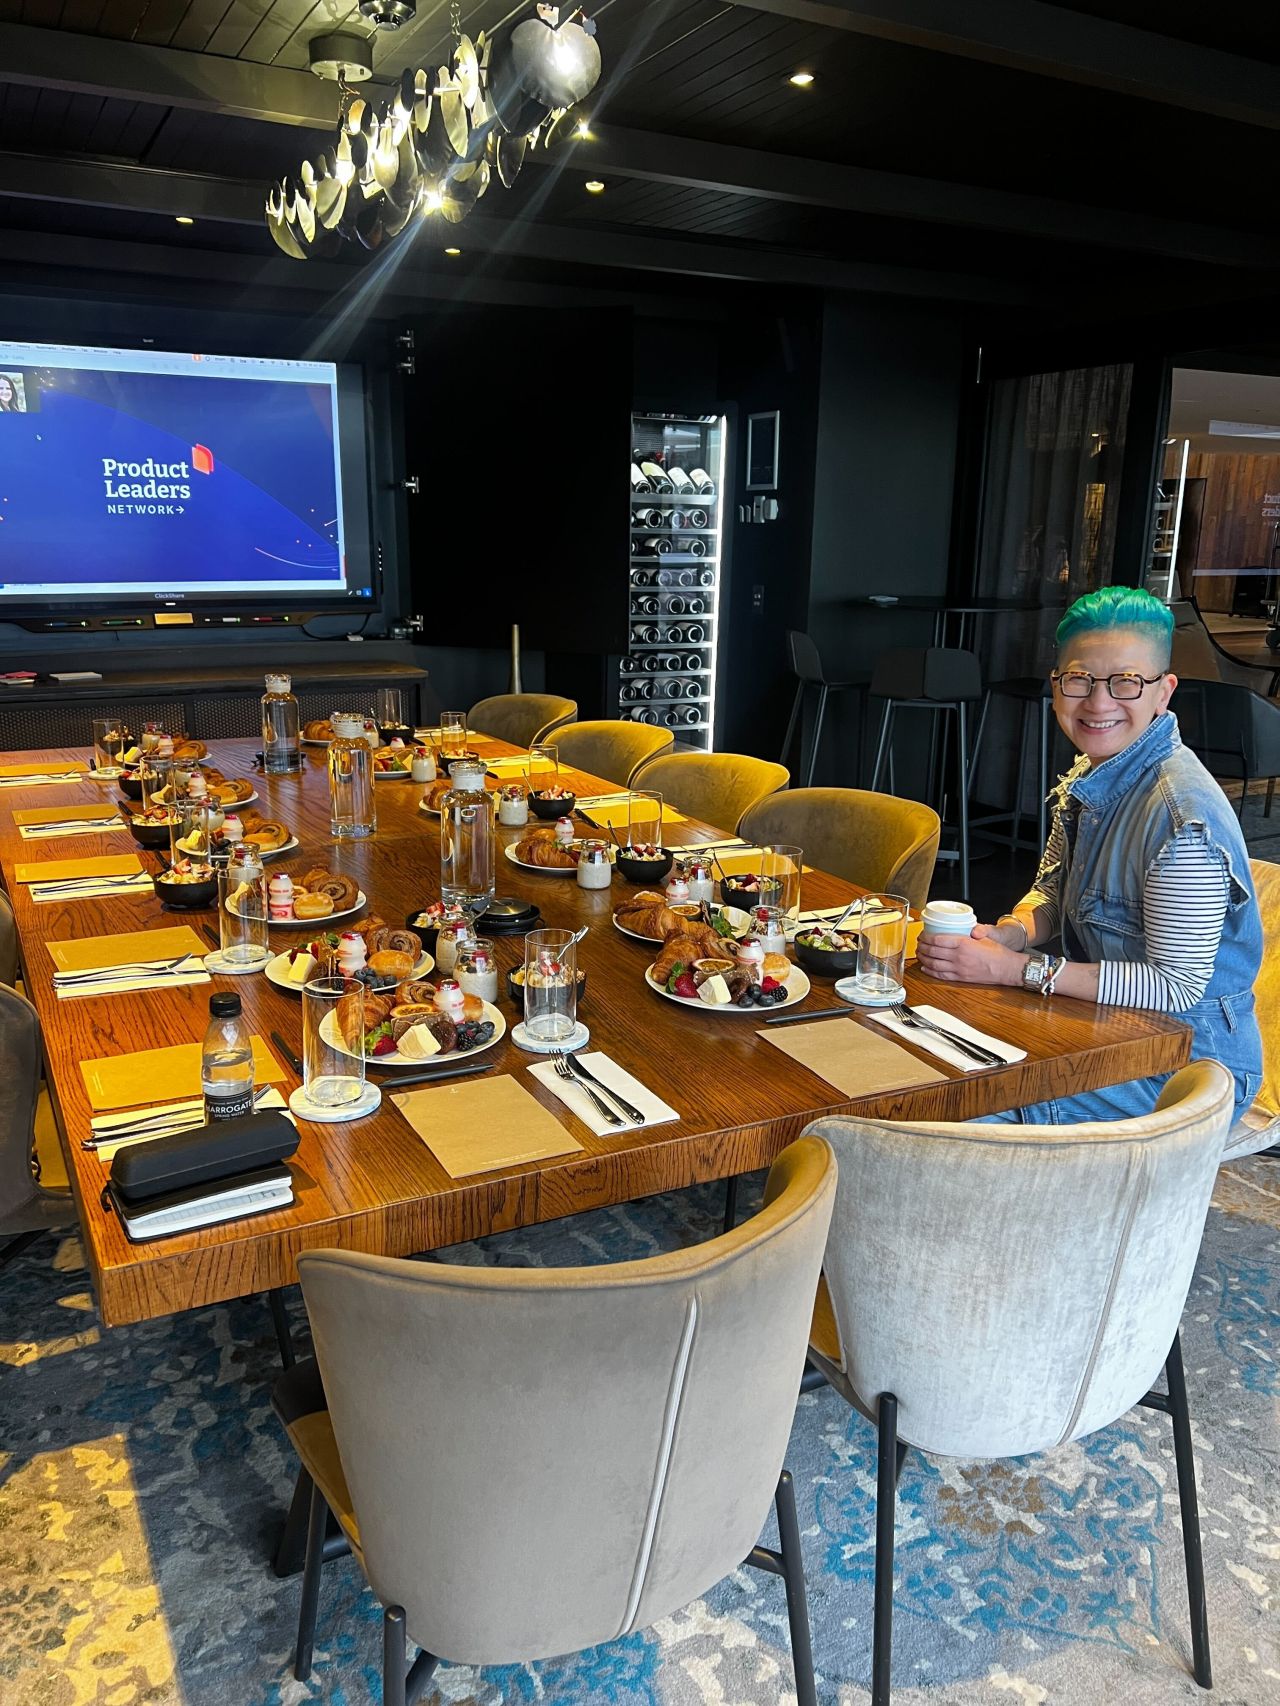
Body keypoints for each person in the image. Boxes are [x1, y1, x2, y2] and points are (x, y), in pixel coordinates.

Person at [918, 585, 1262, 1125]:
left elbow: (1175, 986)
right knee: (921, 1059)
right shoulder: (1093, 775)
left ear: (1163, 692)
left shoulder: (1181, 821)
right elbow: (1053, 893)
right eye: (1080, 679)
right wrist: (1010, 935)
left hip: (1189, 1070)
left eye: (1126, 682)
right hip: (1107, 1030)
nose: (1099, 703)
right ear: (1057, 685)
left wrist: (1017, 969)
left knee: (954, 1111)